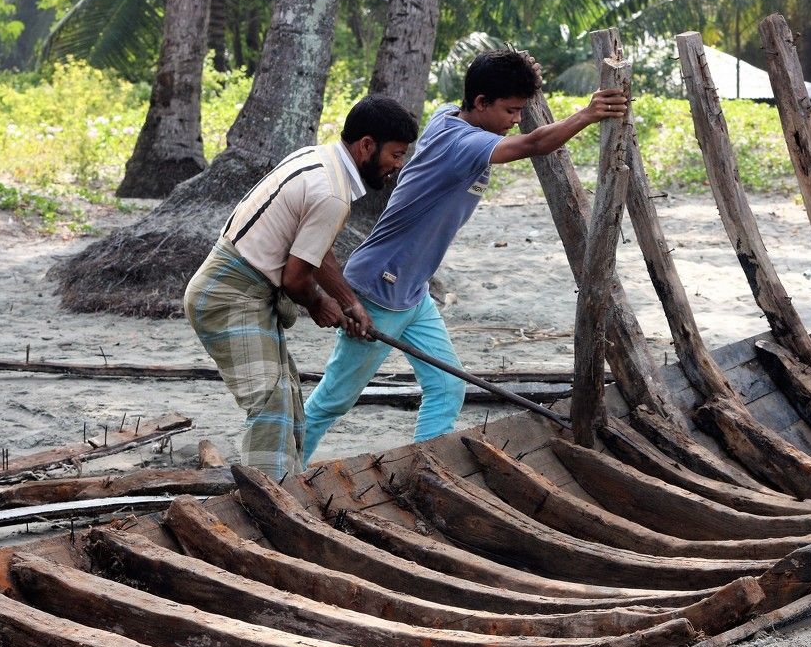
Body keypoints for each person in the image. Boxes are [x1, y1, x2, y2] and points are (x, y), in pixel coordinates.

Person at [301, 50, 627, 467]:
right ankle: (278, 474)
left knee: (446, 387)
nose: (515, 118)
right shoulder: (462, 141)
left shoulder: (448, 115)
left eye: (521, 109)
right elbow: (534, 143)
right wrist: (587, 114)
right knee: (334, 400)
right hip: (377, 290)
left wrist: (519, 71)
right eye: (510, 110)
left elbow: (511, 113)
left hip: (414, 293)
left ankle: (426, 468)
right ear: (479, 103)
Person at [184, 94, 418, 480]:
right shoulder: (332, 193)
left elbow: (315, 253)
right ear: (366, 146)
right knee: (271, 403)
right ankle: (270, 504)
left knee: (290, 396)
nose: (398, 165)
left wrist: (349, 303)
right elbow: (296, 279)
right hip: (228, 297)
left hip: (246, 293)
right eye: (396, 154)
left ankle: (286, 486)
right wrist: (320, 305)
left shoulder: (319, 159)